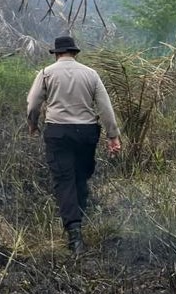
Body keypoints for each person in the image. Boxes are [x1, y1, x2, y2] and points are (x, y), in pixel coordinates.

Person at [26, 35, 122, 256]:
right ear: (75, 53)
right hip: (86, 133)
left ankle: (74, 233)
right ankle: (78, 218)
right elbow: (105, 107)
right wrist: (113, 136)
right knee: (81, 176)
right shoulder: (91, 74)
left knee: (64, 179)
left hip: (58, 132)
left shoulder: (46, 73)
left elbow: (32, 103)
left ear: (57, 53)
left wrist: (32, 124)